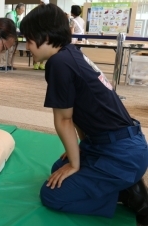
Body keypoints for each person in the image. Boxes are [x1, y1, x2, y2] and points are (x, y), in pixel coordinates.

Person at [20, 3, 148, 225]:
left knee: (52, 194)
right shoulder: (71, 53)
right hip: (119, 144)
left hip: (121, 153)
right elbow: (81, 111)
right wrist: (78, 150)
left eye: (29, 40)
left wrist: (76, 164)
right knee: (57, 171)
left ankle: (126, 194)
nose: (27, 46)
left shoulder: (58, 63)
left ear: (46, 36)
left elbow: (64, 119)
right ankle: (126, 184)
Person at [0, 3, 24, 71]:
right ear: (17, 9)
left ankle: (9, 64)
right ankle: (1, 65)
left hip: (12, 35)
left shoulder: (17, 16)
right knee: (4, 49)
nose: (23, 11)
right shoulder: (11, 14)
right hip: (6, 35)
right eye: (22, 10)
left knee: (11, 50)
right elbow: (12, 26)